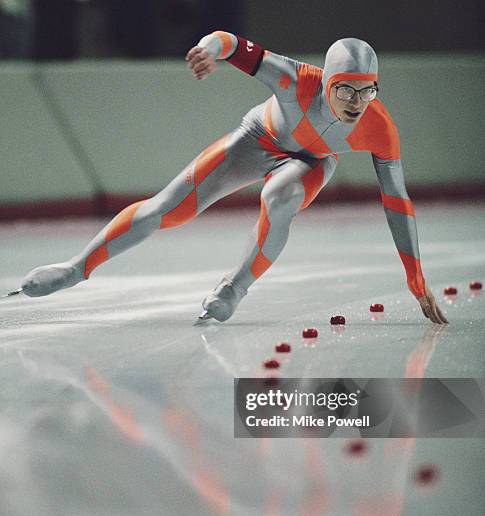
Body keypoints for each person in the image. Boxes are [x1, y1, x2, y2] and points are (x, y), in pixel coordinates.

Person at [18, 31, 448, 325]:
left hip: (312, 162)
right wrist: (208, 49)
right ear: (326, 84)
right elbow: (233, 45)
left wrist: (414, 275)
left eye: (367, 90)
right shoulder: (296, 80)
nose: (356, 103)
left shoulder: (380, 126)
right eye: (346, 90)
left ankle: (234, 287)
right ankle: (77, 268)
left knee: (283, 196)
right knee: (167, 210)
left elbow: (397, 202)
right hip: (257, 138)